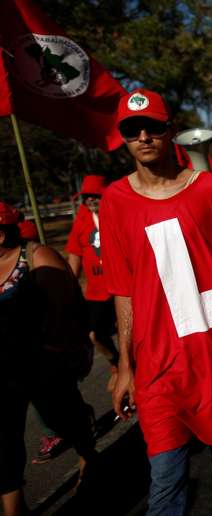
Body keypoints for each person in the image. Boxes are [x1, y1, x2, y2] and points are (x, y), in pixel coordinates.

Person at [101, 89, 212, 516]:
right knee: (166, 480)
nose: (143, 136)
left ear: (170, 131)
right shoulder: (115, 200)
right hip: (158, 365)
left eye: (152, 127)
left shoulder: (207, 188)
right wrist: (126, 366)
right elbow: (122, 288)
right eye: (132, 130)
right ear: (123, 138)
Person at [0, 202, 97, 516]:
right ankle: (14, 509)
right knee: (4, 440)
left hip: (46, 359)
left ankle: (88, 456)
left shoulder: (37, 258)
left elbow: (64, 315)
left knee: (62, 421)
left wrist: (55, 359)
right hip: (5, 368)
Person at [66, 175, 120, 392]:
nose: (90, 201)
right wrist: (70, 286)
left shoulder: (117, 214)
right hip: (97, 292)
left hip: (122, 287)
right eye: (86, 197)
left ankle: (135, 369)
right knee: (95, 335)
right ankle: (116, 364)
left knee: (133, 334)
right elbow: (74, 255)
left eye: (94, 196)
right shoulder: (82, 220)